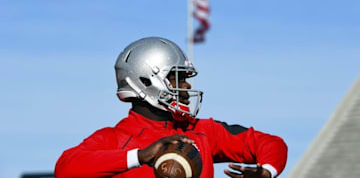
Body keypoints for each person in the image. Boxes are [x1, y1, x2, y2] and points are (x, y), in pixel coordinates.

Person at [55, 37, 287, 178]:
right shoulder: (114, 139)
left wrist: (266, 172)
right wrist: (140, 156)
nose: (186, 86)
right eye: (177, 78)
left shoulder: (203, 131)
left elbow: (271, 144)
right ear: (146, 80)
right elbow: (65, 169)